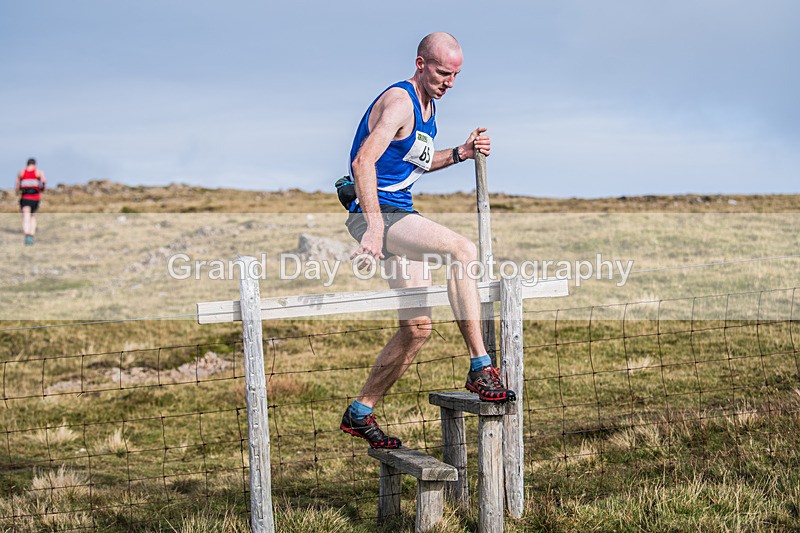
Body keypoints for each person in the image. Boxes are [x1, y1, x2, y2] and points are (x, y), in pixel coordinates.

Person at [339, 32, 515, 449]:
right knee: (462, 250)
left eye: (455, 75)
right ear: (420, 64)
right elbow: (362, 160)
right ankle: (480, 366)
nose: (449, 82)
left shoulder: (428, 106)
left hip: (398, 212)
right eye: (441, 72)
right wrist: (377, 227)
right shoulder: (401, 101)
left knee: (417, 328)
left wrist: (461, 152)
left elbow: (414, 160)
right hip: (379, 213)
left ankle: (359, 412)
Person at [16, 158, 46, 245]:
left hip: (25, 197)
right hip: (35, 198)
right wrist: (42, 188)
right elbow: (44, 181)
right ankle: (31, 235)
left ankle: (27, 235)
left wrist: (18, 191)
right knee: (32, 216)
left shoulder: (21, 172)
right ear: (35, 164)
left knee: (26, 216)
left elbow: (17, 185)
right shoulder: (38, 172)